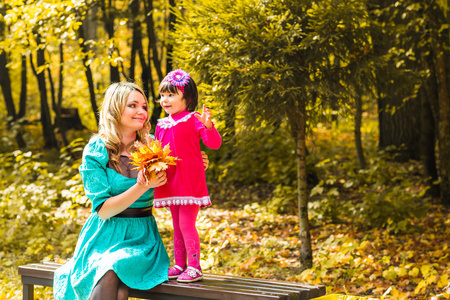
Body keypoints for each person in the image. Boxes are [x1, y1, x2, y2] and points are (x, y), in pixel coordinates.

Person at [53, 81, 210, 299]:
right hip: (102, 236)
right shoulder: (96, 150)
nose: (141, 112)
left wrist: (195, 164)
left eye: (144, 107)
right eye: (133, 105)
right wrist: (141, 186)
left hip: (141, 238)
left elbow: (178, 177)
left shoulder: (154, 146)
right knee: (113, 279)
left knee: (113, 267)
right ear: (116, 108)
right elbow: (104, 211)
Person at [154, 69, 222, 283]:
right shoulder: (161, 124)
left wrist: (209, 126)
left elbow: (214, 144)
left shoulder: (194, 119)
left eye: (171, 95)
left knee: (186, 224)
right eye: (163, 95)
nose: (165, 100)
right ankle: (179, 264)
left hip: (189, 182)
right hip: (170, 182)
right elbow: (157, 151)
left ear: (188, 98)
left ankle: (194, 266)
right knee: (176, 224)